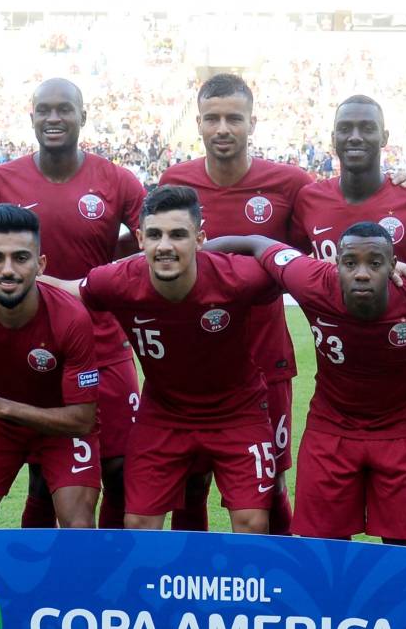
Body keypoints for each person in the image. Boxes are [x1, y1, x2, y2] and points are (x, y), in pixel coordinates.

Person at [205, 223, 406, 547]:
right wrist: (192, 254)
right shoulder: (310, 280)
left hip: (402, 431)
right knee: (322, 548)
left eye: (375, 263)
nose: (361, 273)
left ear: (392, 267)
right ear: (336, 265)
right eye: (350, 263)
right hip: (331, 429)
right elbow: (256, 243)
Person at [0, 78, 145, 530]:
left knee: (119, 469)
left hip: (99, 347)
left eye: (65, 109)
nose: (54, 118)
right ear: (30, 116)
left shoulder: (116, 180)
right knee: (40, 477)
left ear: (83, 116)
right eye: (45, 110)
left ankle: (106, 572)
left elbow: (153, 242)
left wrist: (98, 278)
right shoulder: (1, 179)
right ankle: (40, 576)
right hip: (24, 355)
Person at [35, 185, 281, 533]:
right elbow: (67, 288)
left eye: (178, 235)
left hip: (238, 413)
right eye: (155, 235)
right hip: (164, 413)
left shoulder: (238, 276)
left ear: (200, 239)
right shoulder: (118, 280)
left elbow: (302, 276)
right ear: (140, 239)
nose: (165, 246)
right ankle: (147, 588)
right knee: (137, 522)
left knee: (252, 523)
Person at [291, 95, 406, 546]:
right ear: (331, 139)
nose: (356, 137)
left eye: (367, 128)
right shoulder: (309, 199)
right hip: (336, 385)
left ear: (385, 137)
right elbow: (290, 270)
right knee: (320, 541)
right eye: (346, 128)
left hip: (403, 382)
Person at [158, 74, 311, 534]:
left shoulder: (289, 184)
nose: (222, 128)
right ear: (198, 124)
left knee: (271, 483)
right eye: (212, 118)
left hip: (265, 359)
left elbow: (316, 255)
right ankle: (191, 588)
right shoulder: (175, 182)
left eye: (233, 118)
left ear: (252, 123)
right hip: (193, 364)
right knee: (190, 483)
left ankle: (275, 585)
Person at [0, 204, 101, 529]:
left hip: (62, 423)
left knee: (79, 527)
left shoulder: (70, 318)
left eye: (21, 258)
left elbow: (82, 420)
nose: (7, 270)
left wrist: (3, 406)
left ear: (40, 264)